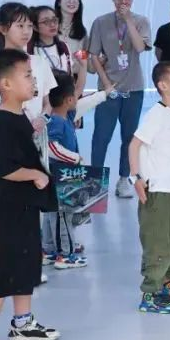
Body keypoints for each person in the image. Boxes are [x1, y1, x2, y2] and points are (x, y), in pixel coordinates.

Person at [0, 50, 60, 340]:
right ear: (6, 84)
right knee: (6, 269)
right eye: (27, 75)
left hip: (26, 205)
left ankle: (22, 322)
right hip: (11, 208)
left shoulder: (19, 115)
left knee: (26, 264)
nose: (33, 80)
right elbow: (8, 169)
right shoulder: (3, 122)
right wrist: (36, 174)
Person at [127, 61, 170, 314]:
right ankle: (150, 294)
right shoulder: (156, 114)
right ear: (163, 86)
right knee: (157, 243)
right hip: (155, 189)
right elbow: (134, 145)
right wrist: (136, 178)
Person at [87, 0, 152, 199]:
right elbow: (93, 55)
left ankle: (124, 179)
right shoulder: (101, 22)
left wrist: (128, 21)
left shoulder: (141, 21)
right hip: (108, 89)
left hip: (134, 88)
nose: (123, 2)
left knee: (129, 137)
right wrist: (106, 83)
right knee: (101, 136)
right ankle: (95, 181)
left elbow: (140, 47)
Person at [43, 72, 110, 269]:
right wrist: (74, 158)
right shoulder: (56, 121)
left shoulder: (66, 115)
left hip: (61, 176)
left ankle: (49, 249)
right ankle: (66, 254)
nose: (78, 96)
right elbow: (51, 146)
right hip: (61, 176)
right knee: (63, 216)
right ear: (68, 100)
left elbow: (84, 104)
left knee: (52, 214)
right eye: (75, 93)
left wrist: (103, 94)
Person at [0, 3, 55, 133]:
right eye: (20, 26)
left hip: (37, 135)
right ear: (3, 29)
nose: (26, 31)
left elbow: (47, 103)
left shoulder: (40, 62)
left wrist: (42, 119)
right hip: (8, 133)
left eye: (29, 26)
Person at [31, 5, 86, 103]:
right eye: (46, 22)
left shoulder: (64, 46)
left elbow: (70, 80)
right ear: (35, 27)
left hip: (63, 104)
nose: (52, 24)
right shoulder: (30, 50)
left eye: (54, 20)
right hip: (40, 104)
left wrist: (84, 64)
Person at [55, 0, 89, 87]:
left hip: (73, 82)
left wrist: (99, 60)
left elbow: (84, 60)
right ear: (59, 2)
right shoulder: (50, 27)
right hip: (51, 80)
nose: (72, 1)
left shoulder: (81, 33)